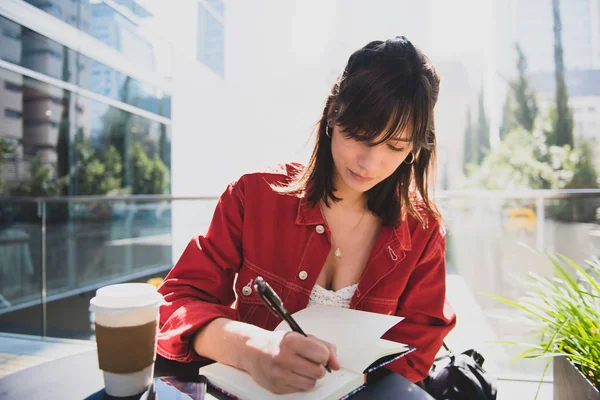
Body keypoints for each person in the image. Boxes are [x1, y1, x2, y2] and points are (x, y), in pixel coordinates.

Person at [157, 36, 456, 394]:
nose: (370, 163)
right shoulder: (254, 196)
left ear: (414, 149)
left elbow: (419, 345)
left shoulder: (422, 230)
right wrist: (254, 349)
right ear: (333, 114)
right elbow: (178, 304)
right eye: (360, 135)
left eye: (395, 146)